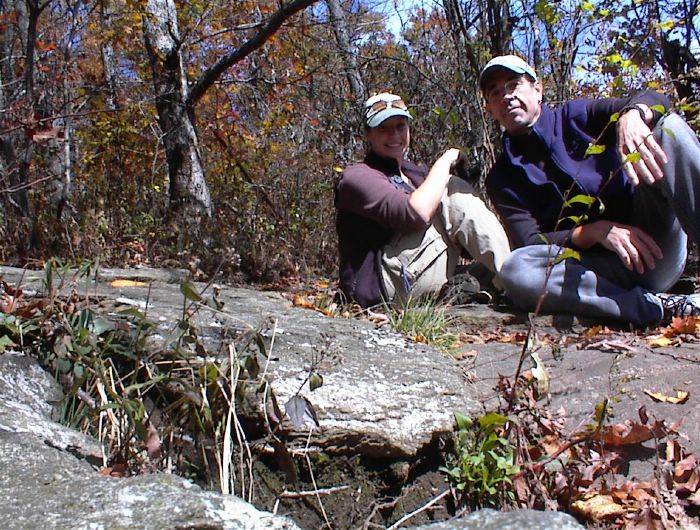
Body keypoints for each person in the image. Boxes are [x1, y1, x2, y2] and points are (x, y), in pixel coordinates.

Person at [480, 54, 700, 327]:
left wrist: (634, 114)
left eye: (514, 84)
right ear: (489, 108)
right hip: (593, 275)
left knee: (670, 129)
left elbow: (658, 100)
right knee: (516, 268)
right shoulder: (502, 178)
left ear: (538, 90)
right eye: (496, 92)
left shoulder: (577, 117)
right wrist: (591, 233)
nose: (507, 97)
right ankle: (656, 307)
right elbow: (530, 242)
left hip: (652, 248)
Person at [335, 92, 511, 308]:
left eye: (400, 126)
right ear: (367, 134)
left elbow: (465, 245)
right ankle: (516, 284)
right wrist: (447, 160)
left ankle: (494, 287)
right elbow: (414, 214)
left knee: (485, 271)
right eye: (383, 128)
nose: (394, 135)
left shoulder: (414, 173)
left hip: (415, 272)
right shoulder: (356, 177)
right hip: (381, 289)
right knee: (450, 187)